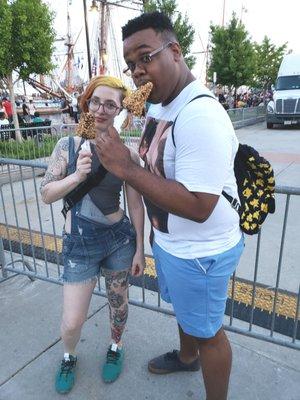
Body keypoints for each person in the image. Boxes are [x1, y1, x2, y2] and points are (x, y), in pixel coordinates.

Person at [95, 12, 244, 400]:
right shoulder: (163, 106)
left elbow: (199, 206)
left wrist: (125, 166)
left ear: (175, 51)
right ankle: (186, 355)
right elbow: (154, 165)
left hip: (201, 252)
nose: (138, 72)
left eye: (146, 57)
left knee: (210, 331)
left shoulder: (201, 116)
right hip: (172, 243)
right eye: (131, 65)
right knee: (183, 308)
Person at [40, 76, 145, 394]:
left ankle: (116, 346)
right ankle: (69, 355)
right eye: (96, 101)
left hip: (118, 240)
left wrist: (140, 247)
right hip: (79, 245)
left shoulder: (127, 154)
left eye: (110, 104)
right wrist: (77, 175)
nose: (101, 109)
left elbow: (135, 205)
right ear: (86, 102)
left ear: (119, 110)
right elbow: (46, 193)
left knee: (119, 304)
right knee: (72, 322)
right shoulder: (67, 146)